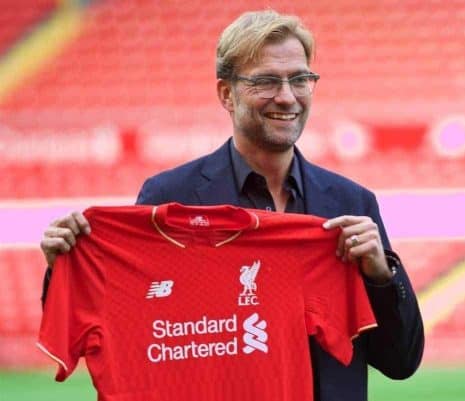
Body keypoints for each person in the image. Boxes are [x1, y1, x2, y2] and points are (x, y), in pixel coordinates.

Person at [40, 9, 424, 401]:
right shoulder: (170, 199)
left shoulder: (350, 203)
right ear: (227, 93)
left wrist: (381, 275)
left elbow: (401, 361)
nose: (287, 96)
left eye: (300, 79)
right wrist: (68, 265)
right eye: (266, 82)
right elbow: (129, 331)